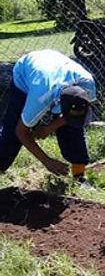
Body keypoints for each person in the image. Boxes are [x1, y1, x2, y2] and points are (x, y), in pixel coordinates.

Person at [0, 49, 96, 181]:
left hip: (53, 63)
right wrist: (47, 161)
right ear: (58, 104)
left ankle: (79, 175)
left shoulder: (87, 84)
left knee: (74, 126)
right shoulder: (40, 98)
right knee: (11, 132)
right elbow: (21, 131)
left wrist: (48, 128)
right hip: (26, 72)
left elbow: (73, 115)